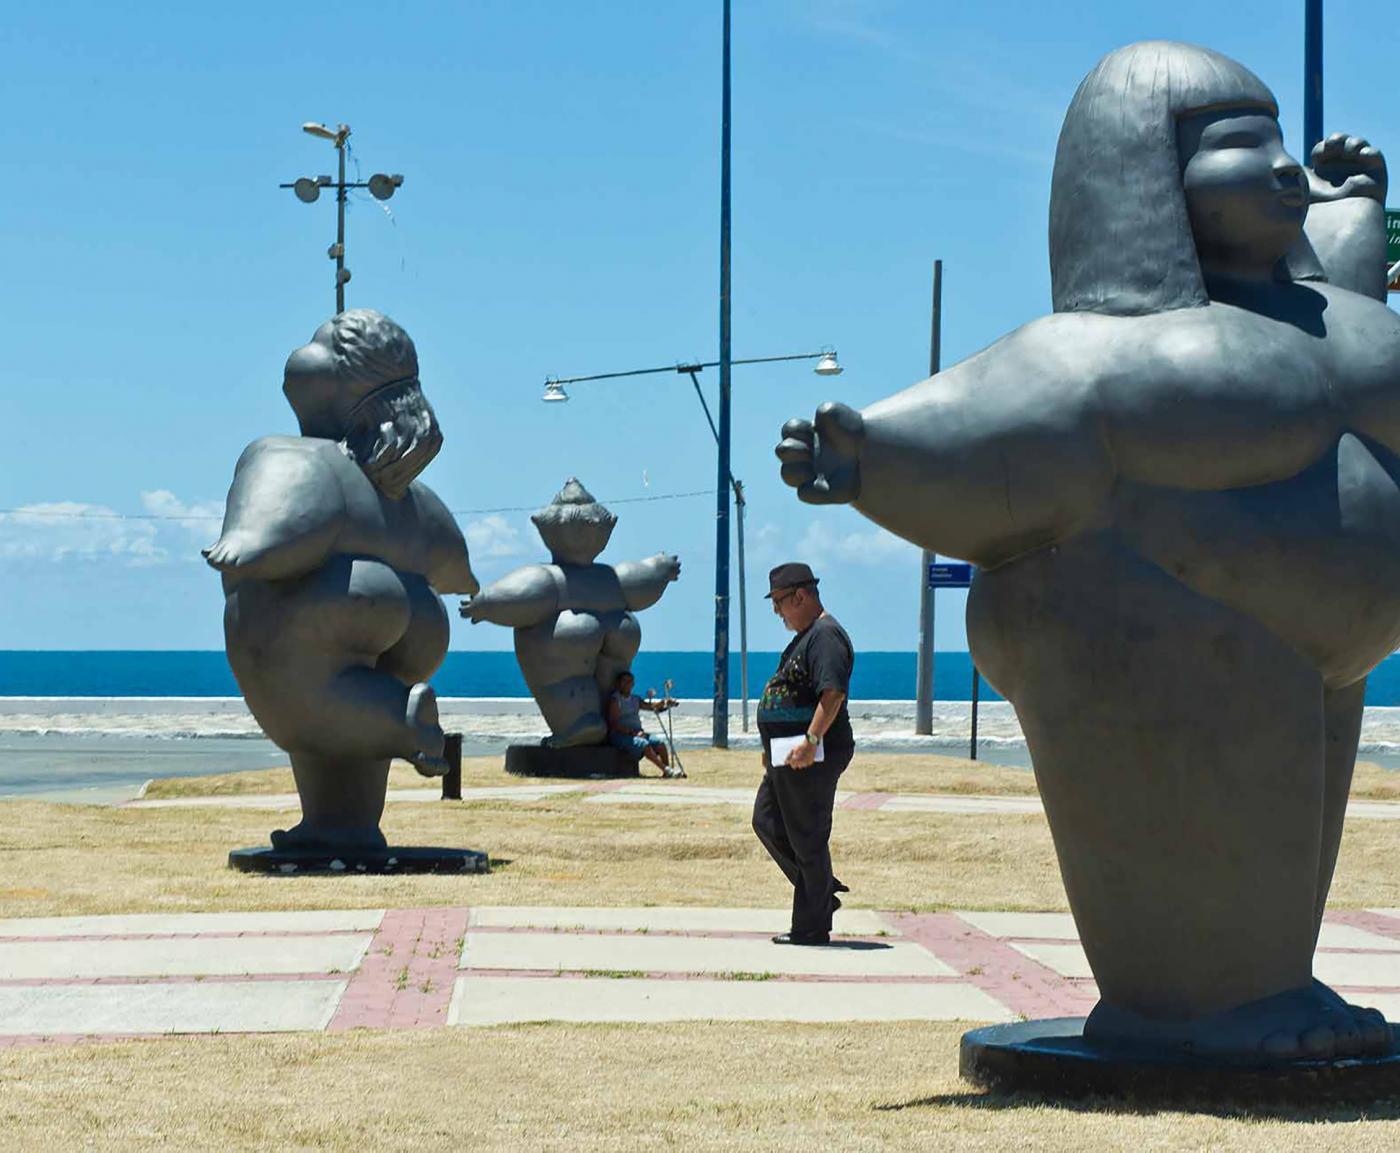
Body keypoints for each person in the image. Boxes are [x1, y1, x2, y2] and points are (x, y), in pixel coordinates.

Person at [751, 562, 855, 946]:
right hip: (787, 753)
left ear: (801, 595)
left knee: (806, 835)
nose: (777, 611)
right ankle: (820, 892)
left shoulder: (826, 636)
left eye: (780, 602)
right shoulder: (807, 635)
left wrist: (811, 741)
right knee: (766, 821)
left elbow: (832, 694)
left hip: (813, 753)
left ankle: (812, 925)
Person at [606, 670, 683, 778]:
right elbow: (613, 723)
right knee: (643, 744)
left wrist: (665, 703)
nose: (627, 684)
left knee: (660, 743)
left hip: (638, 732)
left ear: (633, 684)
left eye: (630, 681)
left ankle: (667, 772)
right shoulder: (615, 699)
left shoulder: (635, 699)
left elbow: (652, 707)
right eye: (624, 681)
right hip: (621, 735)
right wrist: (633, 733)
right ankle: (667, 769)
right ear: (619, 683)